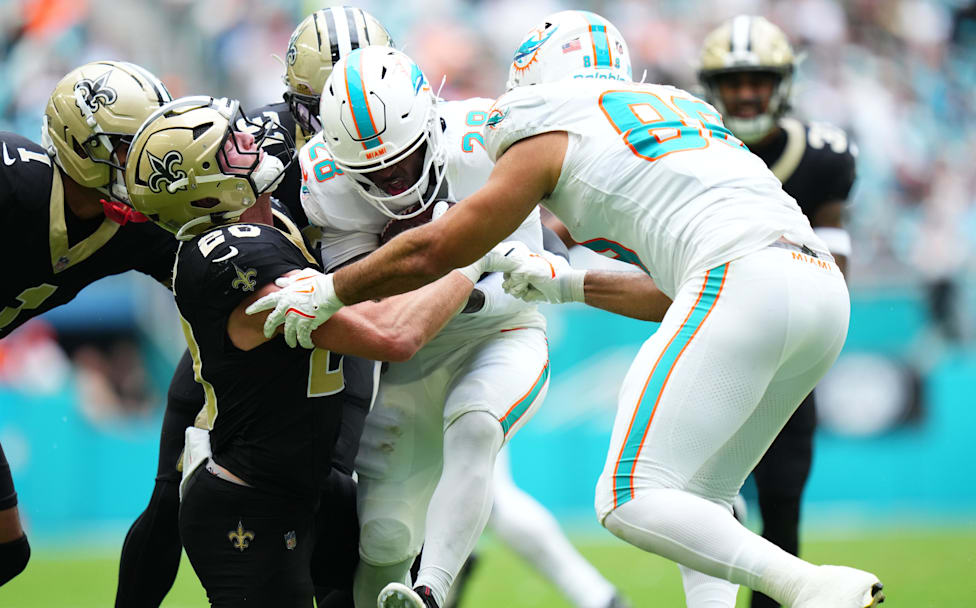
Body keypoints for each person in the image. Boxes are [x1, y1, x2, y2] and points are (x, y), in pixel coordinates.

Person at [251, 10, 884, 608]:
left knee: (629, 495)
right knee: (702, 495)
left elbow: (442, 247)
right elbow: (674, 295)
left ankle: (806, 586)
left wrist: (331, 291)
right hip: (817, 285)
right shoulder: (683, 109)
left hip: (734, 276)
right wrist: (567, 284)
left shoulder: (538, 123)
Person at [123, 94, 507, 607]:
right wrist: (469, 256)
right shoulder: (226, 258)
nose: (250, 143)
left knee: (396, 563)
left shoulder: (272, 221)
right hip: (248, 503)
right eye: (229, 149)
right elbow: (393, 335)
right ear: (202, 192)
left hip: (307, 484)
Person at [298, 45, 612, 608]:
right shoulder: (329, 184)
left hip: (503, 333)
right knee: (384, 536)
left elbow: (505, 286)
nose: (394, 182)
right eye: (374, 173)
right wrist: (467, 257)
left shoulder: (486, 138)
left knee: (477, 428)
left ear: (431, 124)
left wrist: (430, 266)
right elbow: (372, 310)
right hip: (408, 363)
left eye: (404, 160)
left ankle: (434, 590)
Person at [113, 8, 394, 607]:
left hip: (330, 338)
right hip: (251, 340)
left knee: (338, 496)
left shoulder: (403, 136)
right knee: (169, 501)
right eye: (329, 104)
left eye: (364, 98)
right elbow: (186, 227)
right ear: (297, 101)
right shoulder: (245, 144)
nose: (349, 119)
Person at [0, 60, 174, 607]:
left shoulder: (132, 230)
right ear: (81, 144)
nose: (142, 162)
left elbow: (212, 275)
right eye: (128, 146)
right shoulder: (9, 178)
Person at [697, 15, 858, 608]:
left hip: (785, 358)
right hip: (709, 348)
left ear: (783, 82)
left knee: (783, 510)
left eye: (757, 79)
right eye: (733, 80)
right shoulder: (695, 150)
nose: (744, 93)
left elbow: (835, 274)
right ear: (712, 86)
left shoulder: (822, 159)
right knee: (706, 509)